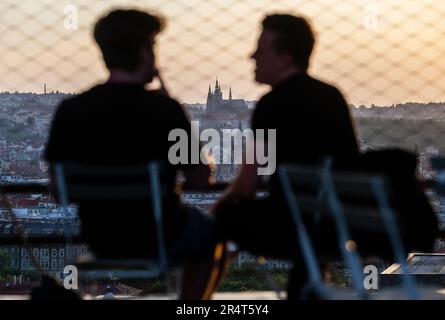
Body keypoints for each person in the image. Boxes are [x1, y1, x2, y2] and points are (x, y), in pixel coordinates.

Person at [44, 9, 221, 299]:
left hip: (101, 239)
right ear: (143, 53)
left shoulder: (71, 111)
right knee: (211, 233)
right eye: (153, 47)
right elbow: (201, 179)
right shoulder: (166, 111)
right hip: (162, 236)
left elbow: (57, 191)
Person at [213, 14, 360, 298]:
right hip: (339, 224)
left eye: (261, 49)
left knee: (222, 217)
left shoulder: (271, 105)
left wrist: (216, 207)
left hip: (287, 226)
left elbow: (246, 185)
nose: (252, 55)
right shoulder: (333, 97)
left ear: (285, 57)